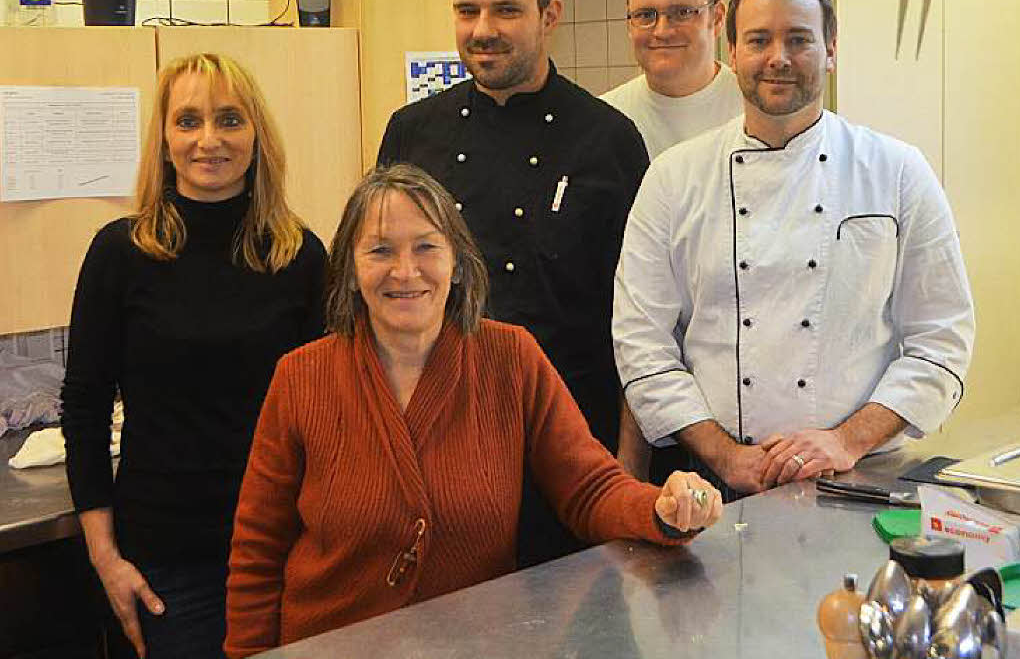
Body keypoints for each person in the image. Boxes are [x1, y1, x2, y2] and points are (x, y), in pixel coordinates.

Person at [224, 164, 722, 658]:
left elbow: (588, 488)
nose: (404, 271)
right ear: (351, 272)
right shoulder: (300, 377)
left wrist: (660, 508)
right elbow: (258, 549)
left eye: (426, 247)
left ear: (458, 263)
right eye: (380, 251)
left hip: (478, 645)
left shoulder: (512, 358)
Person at [612, 0, 975, 502]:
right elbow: (641, 344)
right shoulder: (673, 178)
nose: (778, 58)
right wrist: (724, 454)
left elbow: (941, 339)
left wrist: (846, 441)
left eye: (799, 39)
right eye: (758, 40)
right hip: (715, 483)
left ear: (830, 50)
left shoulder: (896, 170)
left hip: (859, 478)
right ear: (731, 51)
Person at [377, 0, 649, 567]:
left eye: (505, 9)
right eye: (466, 10)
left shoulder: (607, 140)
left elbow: (642, 317)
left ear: (549, 14)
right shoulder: (412, 132)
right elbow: (379, 284)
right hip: (437, 434)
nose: (482, 29)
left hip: (567, 441)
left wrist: (625, 467)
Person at [60, 53, 327, 659]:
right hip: (169, 565)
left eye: (230, 119)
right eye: (188, 121)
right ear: (164, 140)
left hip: (287, 547)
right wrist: (107, 560)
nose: (209, 140)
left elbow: (328, 411)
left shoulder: (299, 255)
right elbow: (83, 410)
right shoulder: (121, 253)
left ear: (257, 136)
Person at [601, 0, 744, 160]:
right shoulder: (604, 120)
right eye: (646, 15)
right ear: (630, 23)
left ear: (716, 18)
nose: (662, 31)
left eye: (682, 12)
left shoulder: (755, 110)